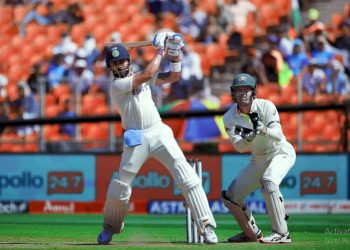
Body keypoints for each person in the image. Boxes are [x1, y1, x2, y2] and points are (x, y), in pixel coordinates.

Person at [97, 32, 218, 244]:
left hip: (159, 131)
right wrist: (160, 49)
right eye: (113, 63)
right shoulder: (117, 86)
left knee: (187, 177)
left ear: (129, 60)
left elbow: (173, 76)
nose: (117, 66)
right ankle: (111, 226)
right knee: (120, 186)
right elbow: (146, 74)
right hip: (136, 138)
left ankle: (206, 226)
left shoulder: (141, 77)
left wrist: (174, 52)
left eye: (121, 61)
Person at [221, 73, 296, 244]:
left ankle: (282, 234)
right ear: (234, 93)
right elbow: (239, 147)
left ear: (253, 91)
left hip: (280, 152)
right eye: (239, 90)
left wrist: (263, 130)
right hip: (259, 158)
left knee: (269, 181)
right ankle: (251, 233)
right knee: (232, 196)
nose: (243, 94)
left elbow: (278, 136)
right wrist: (249, 137)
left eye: (246, 89)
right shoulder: (229, 117)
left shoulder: (266, 106)